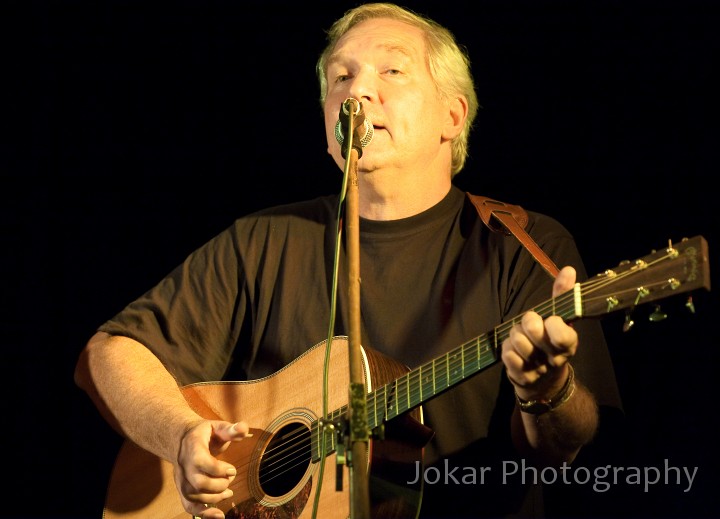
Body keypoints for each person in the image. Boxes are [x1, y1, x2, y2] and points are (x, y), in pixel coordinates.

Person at [75, 3, 622, 518]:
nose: (357, 90)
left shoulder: (521, 241)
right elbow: (110, 351)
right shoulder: (265, 239)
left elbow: (566, 448)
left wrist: (546, 392)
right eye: (341, 77)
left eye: (391, 71)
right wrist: (180, 435)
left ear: (452, 116)